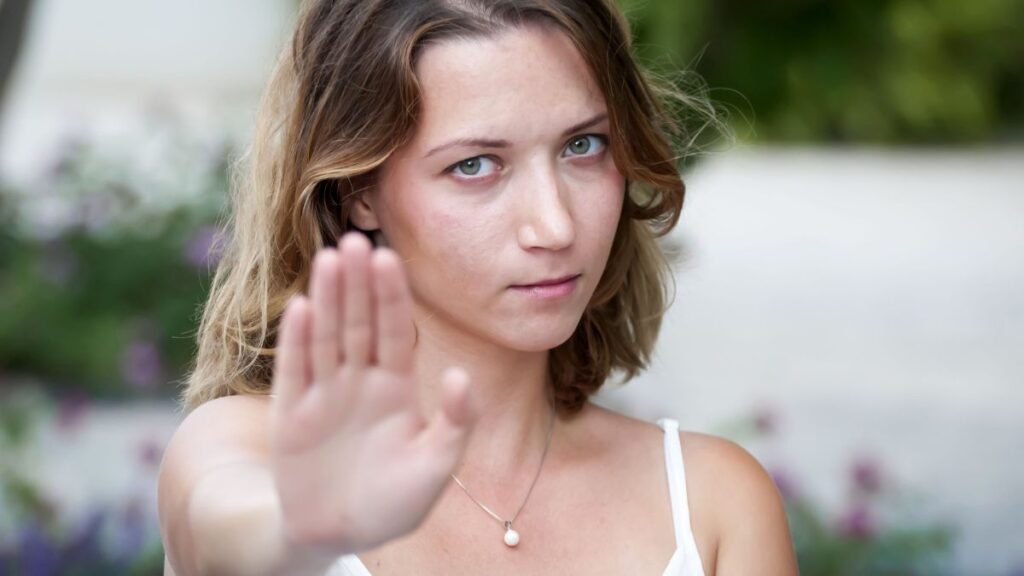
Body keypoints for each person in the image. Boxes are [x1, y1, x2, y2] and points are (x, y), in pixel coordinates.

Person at [157, 0, 798, 574]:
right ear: (358, 192)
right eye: (475, 165)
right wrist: (299, 528)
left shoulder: (713, 505)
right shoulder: (238, 449)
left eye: (584, 145)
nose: (554, 225)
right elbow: (221, 531)